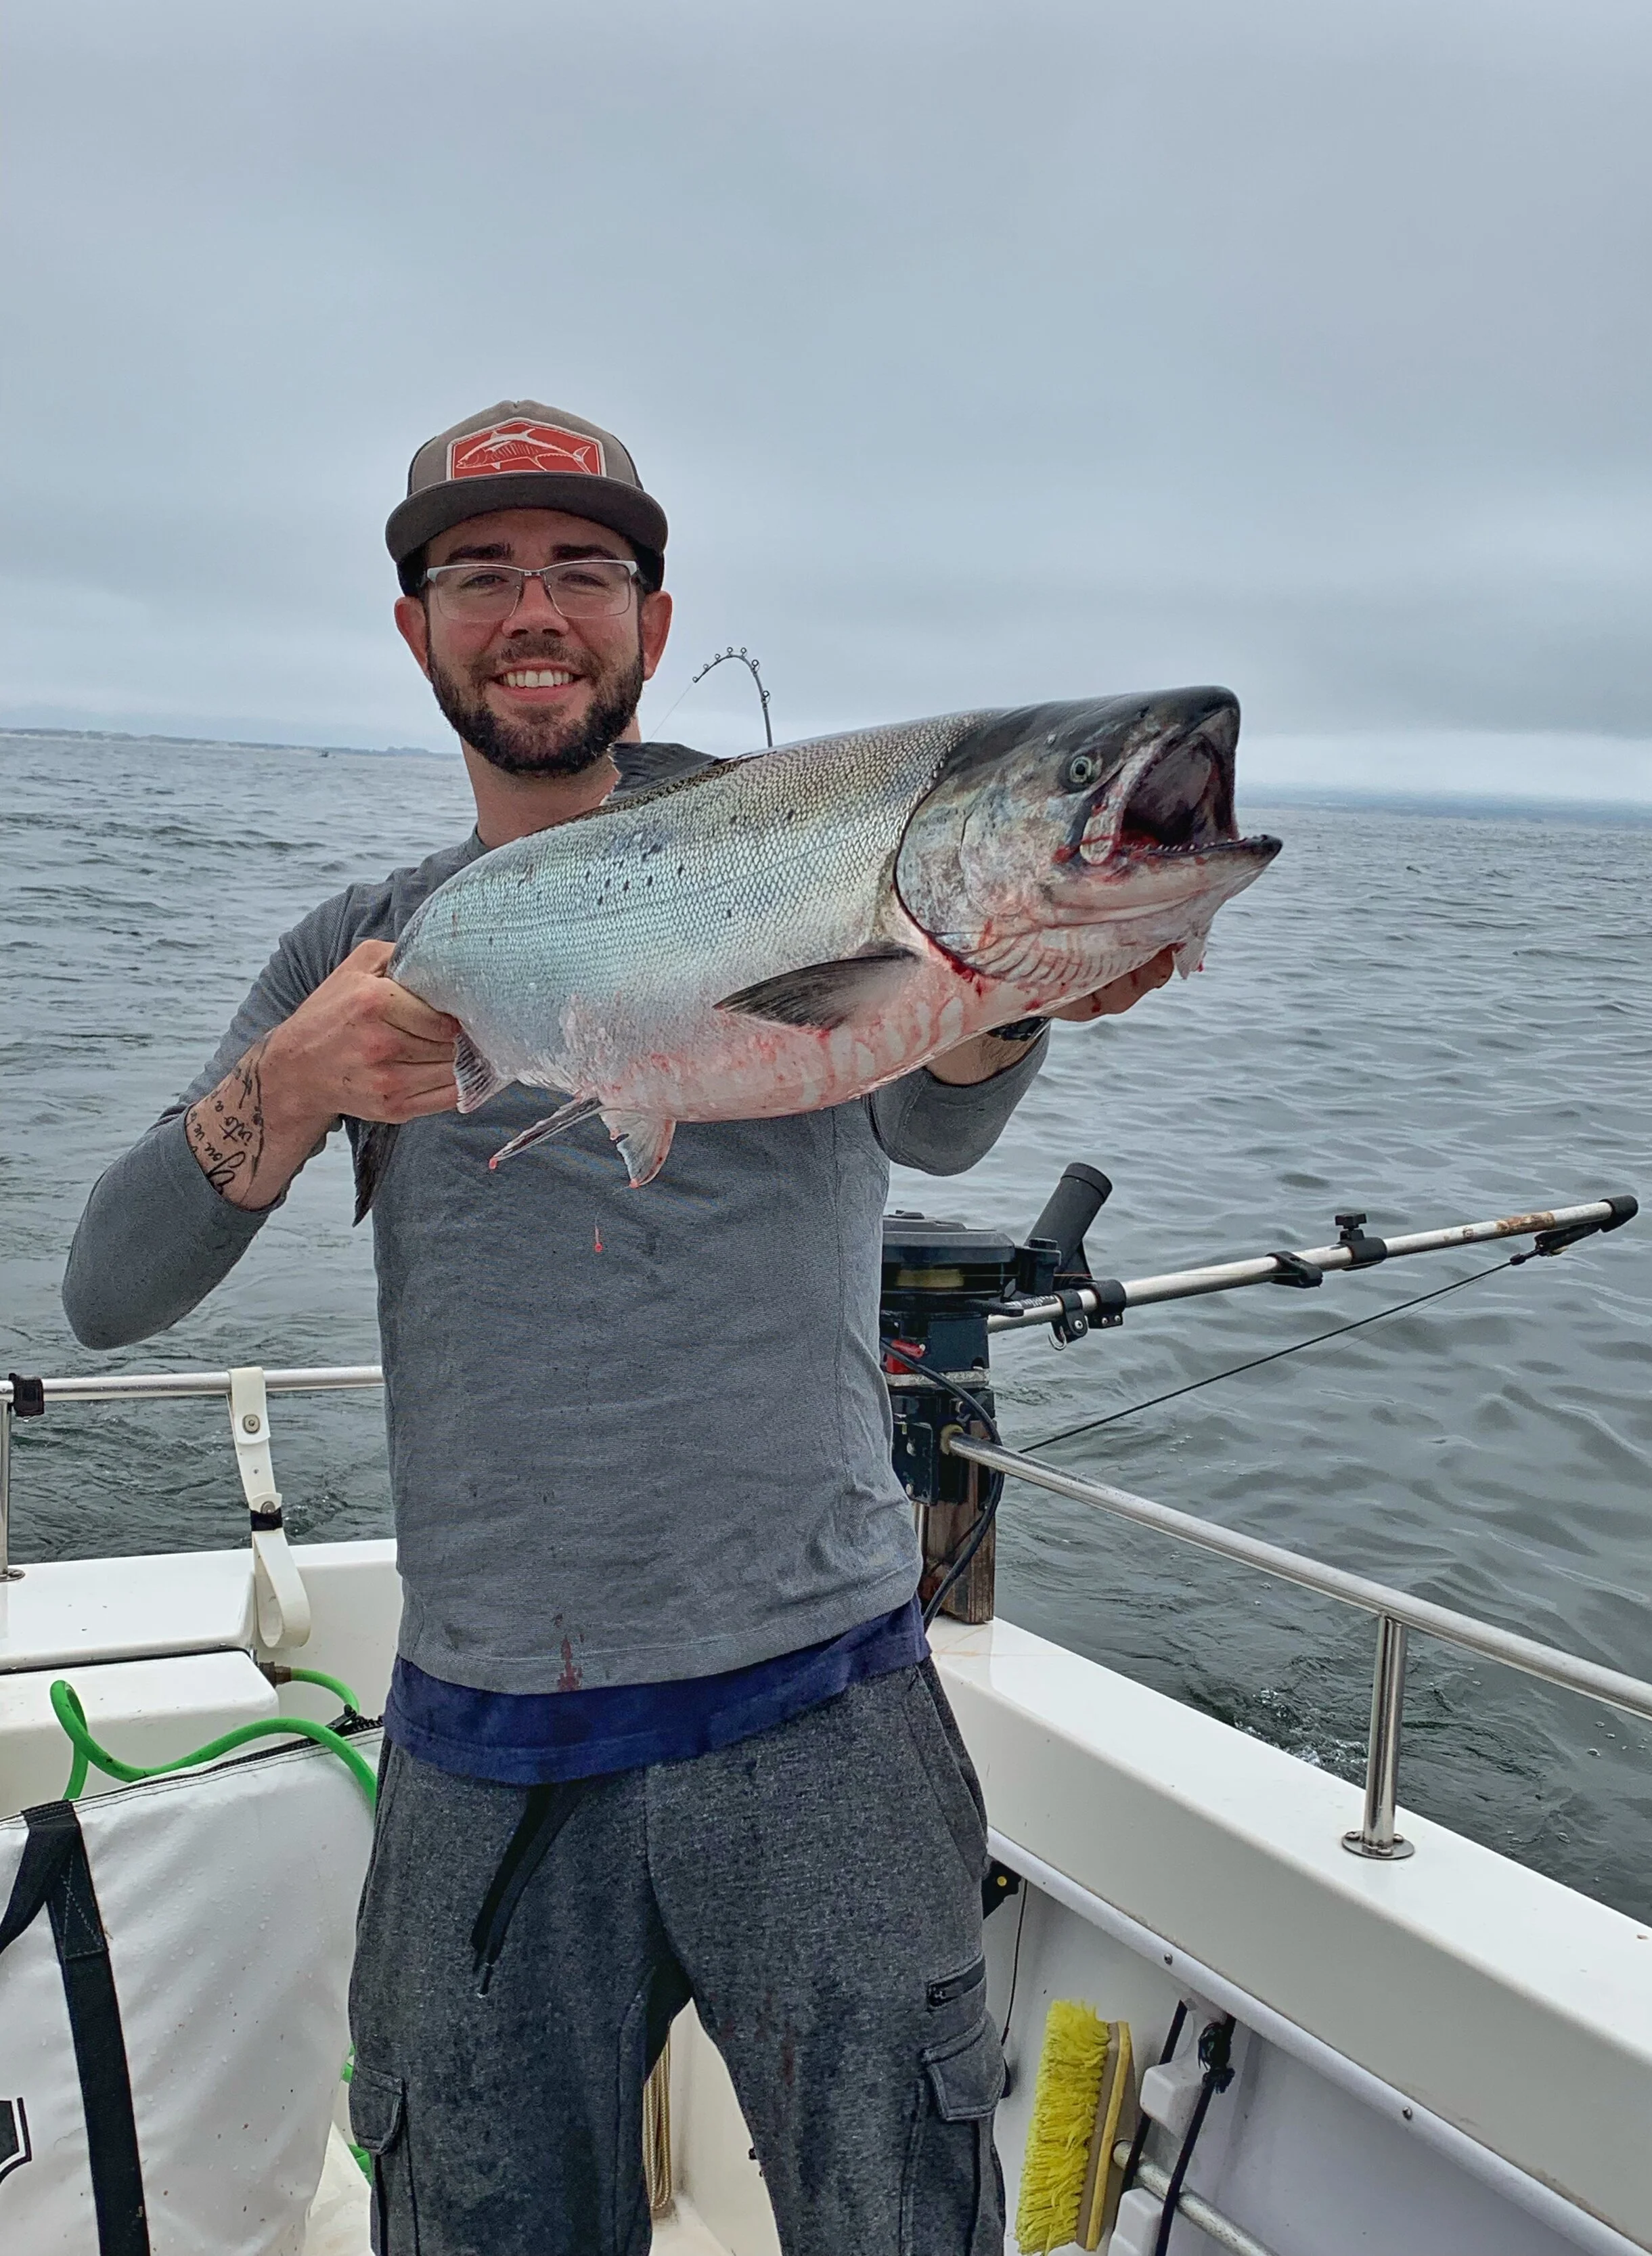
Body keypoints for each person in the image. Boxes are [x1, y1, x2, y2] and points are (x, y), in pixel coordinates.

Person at [64, 400, 1176, 2255]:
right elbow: (109, 1288)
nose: (535, 610)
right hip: (490, 1738)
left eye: (583, 570)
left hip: (823, 1706)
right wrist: (289, 1083)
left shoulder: (811, 855)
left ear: (654, 623)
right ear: (414, 626)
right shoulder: (360, 945)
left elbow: (939, 1102)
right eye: (480, 572)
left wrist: (1017, 979)